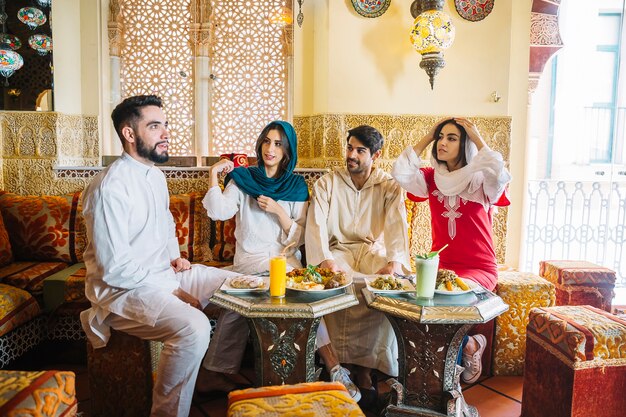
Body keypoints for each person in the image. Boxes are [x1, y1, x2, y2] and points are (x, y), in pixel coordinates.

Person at [80, 95, 238, 417]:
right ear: (129, 133)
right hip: (121, 291)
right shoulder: (109, 187)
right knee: (193, 326)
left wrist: (175, 257)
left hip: (163, 275)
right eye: (155, 126)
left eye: (165, 125)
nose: (166, 133)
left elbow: (164, 224)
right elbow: (115, 268)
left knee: (240, 285)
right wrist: (175, 292)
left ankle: (206, 373)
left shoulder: (155, 176)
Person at [197, 121, 361, 402]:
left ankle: (332, 369)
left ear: (287, 152)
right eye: (267, 142)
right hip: (250, 260)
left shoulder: (296, 186)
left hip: (286, 262)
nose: (270, 149)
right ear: (260, 145)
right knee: (245, 296)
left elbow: (301, 236)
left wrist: (278, 212)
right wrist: (213, 174)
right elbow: (218, 211)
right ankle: (316, 368)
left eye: (278, 144)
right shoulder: (243, 179)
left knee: (302, 298)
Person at [391, 117, 511, 383]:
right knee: (416, 303)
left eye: (451, 138)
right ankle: (467, 347)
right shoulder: (432, 178)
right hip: (441, 266)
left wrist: (476, 135)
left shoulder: (482, 179)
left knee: (448, 301)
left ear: (465, 144)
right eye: (440, 137)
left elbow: (498, 171)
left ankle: (447, 379)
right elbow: (400, 171)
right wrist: (428, 135)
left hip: (479, 267)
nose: (442, 143)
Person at [305, 125, 411, 396]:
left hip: (370, 249)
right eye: (349, 147)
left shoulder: (388, 185)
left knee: (385, 284)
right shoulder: (328, 183)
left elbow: (398, 225)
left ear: (375, 155)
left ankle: (367, 369)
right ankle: (341, 367)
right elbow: (316, 224)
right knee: (341, 282)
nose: (351, 154)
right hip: (337, 249)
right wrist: (324, 260)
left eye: (360, 150)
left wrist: (395, 262)